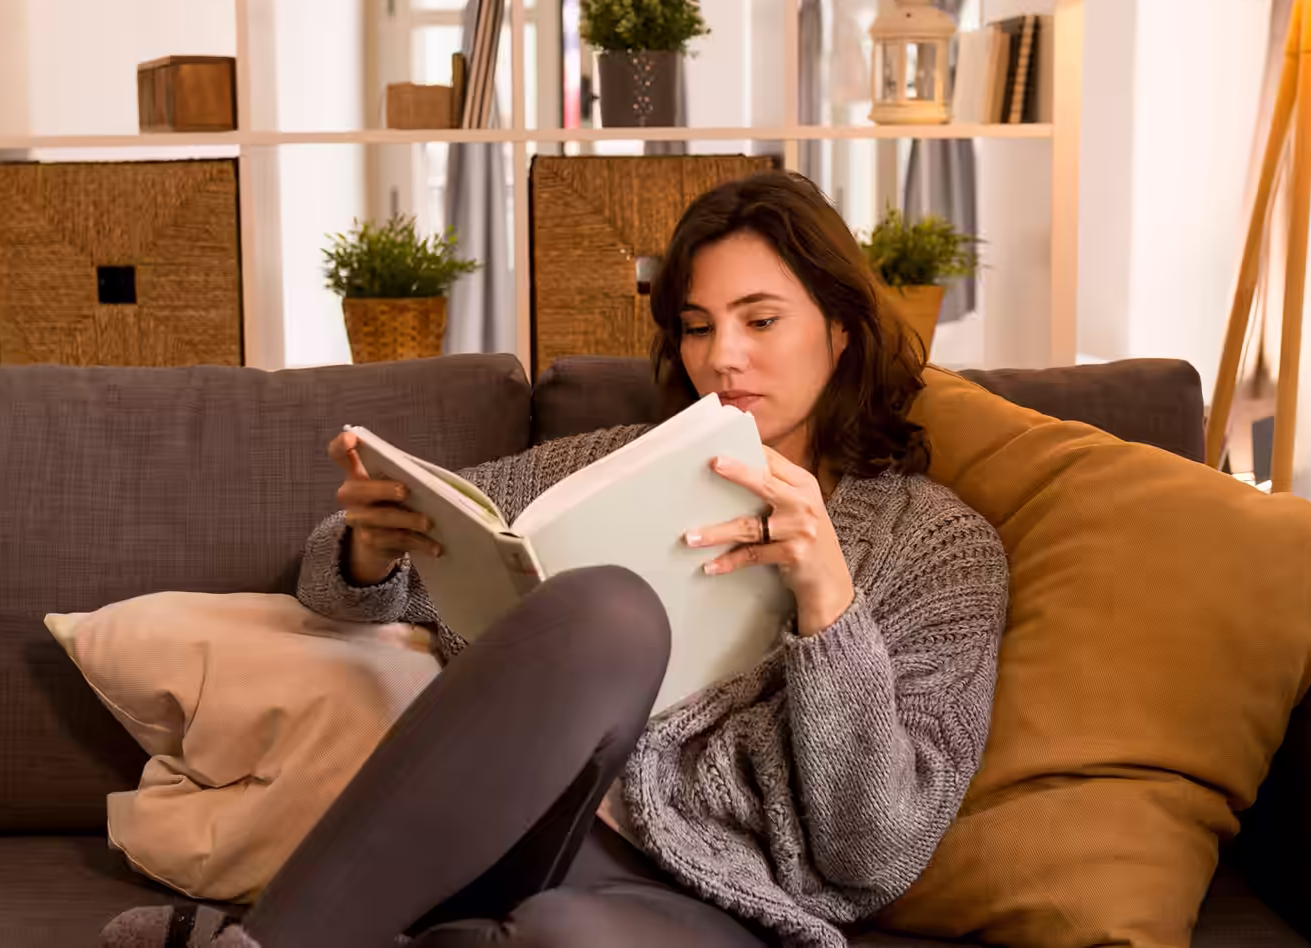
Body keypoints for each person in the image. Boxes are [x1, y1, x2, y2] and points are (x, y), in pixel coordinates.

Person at [105, 171, 1007, 948]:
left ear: (841, 328)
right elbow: (349, 583)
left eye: (760, 320)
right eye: (697, 327)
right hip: (511, 829)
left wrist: (829, 603)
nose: (722, 358)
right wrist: (371, 550)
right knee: (608, 608)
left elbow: (875, 853)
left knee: (559, 936)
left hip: (712, 901)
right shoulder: (608, 465)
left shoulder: (940, 546)